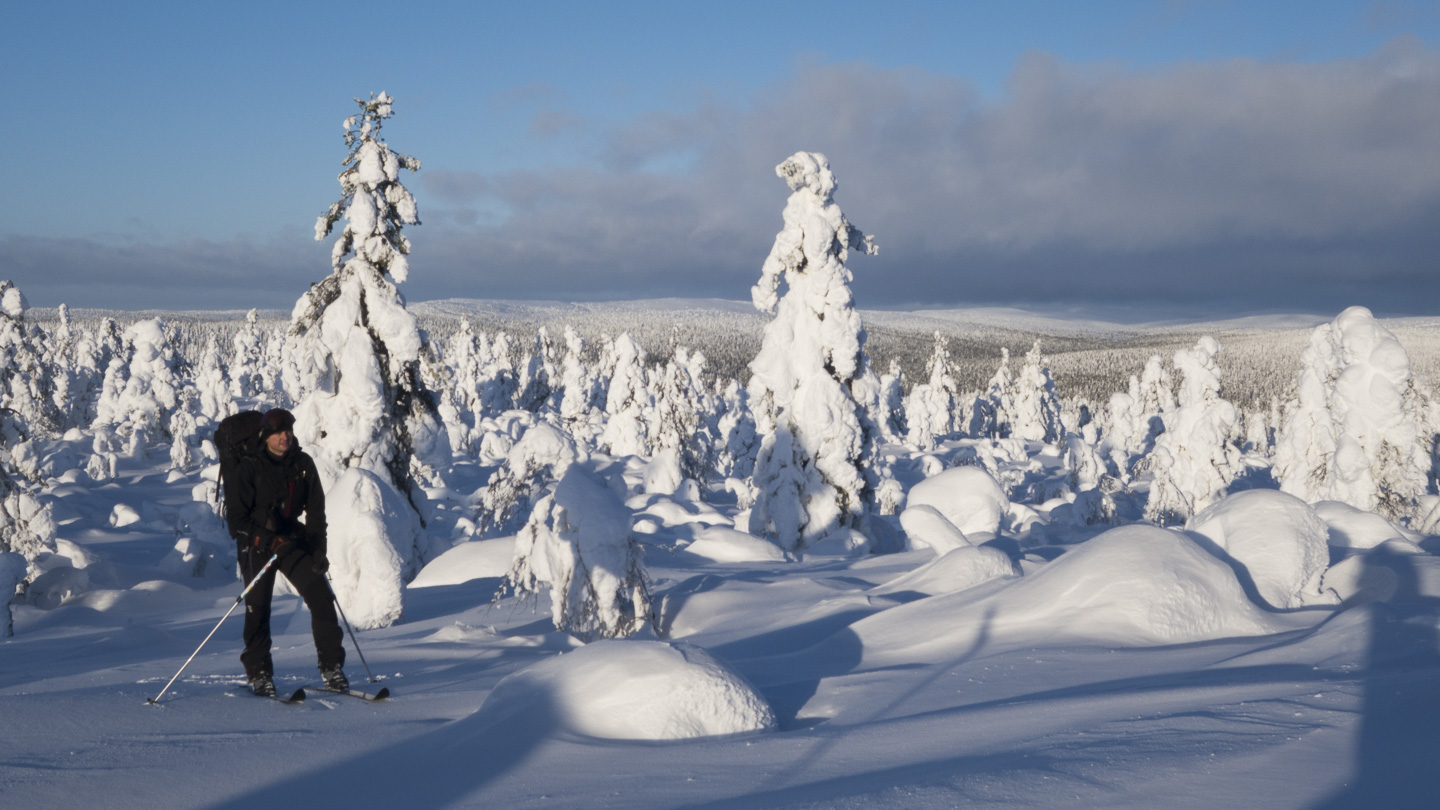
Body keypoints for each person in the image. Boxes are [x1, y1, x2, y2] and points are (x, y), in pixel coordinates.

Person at [224, 407, 347, 696]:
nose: (285, 436)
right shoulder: (249, 467)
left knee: (321, 596)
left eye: (288, 431)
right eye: (278, 432)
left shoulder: (302, 463)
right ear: (265, 436)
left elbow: (316, 513)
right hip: (256, 545)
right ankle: (259, 673)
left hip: (290, 540)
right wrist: (266, 540)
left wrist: (319, 550)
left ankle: (332, 668)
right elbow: (236, 522)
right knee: (258, 608)